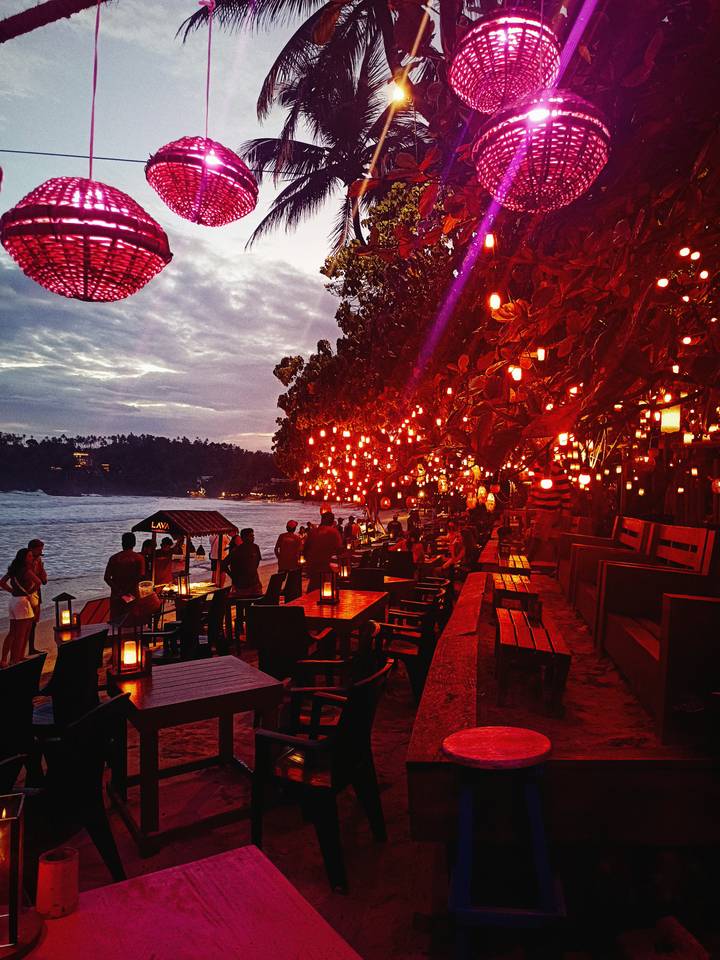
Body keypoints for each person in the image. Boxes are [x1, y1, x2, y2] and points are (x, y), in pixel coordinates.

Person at [1, 548, 43, 666]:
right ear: (24, 558)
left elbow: (2, 582)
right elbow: (38, 582)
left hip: (13, 601)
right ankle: (16, 659)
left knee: (12, 632)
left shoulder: (13, 570)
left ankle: (4, 659)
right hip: (22, 603)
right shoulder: (26, 570)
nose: (31, 558)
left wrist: (12, 591)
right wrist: (29, 592)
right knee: (23, 632)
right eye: (29, 556)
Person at [104, 532, 146, 622]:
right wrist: (126, 591)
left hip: (117, 595)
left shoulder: (114, 558)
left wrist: (119, 591)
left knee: (116, 622)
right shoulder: (139, 558)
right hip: (132, 595)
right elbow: (140, 577)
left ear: (122, 543)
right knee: (132, 620)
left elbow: (107, 578)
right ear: (134, 543)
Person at [303, 512, 344, 590]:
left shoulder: (312, 531)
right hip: (325, 568)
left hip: (312, 567)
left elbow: (305, 550)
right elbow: (339, 550)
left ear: (322, 520)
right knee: (328, 590)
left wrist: (308, 563)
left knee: (312, 589)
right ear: (332, 521)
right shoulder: (334, 532)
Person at [223, 528, 262, 595]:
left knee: (257, 602)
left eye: (253, 536)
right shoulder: (237, 551)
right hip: (242, 585)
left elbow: (257, 562)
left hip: (255, 583)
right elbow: (223, 564)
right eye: (250, 536)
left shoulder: (255, 547)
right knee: (243, 604)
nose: (253, 538)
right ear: (243, 538)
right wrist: (233, 577)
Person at [26, 538, 47, 655]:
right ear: (31, 549)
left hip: (36, 592)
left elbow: (43, 580)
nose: (41, 552)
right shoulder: (25, 562)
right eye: (39, 549)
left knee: (33, 622)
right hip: (27, 593)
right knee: (26, 623)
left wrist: (43, 573)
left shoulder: (38, 560)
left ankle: (31, 648)